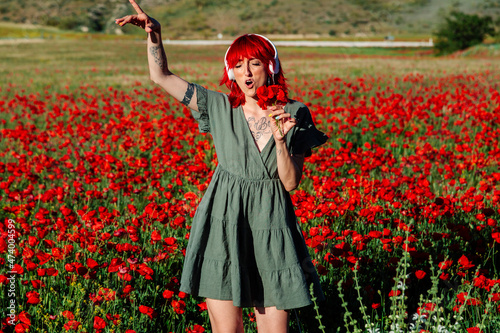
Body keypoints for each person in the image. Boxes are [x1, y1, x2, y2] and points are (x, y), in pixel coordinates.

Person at [116, 1, 328, 332]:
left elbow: (290, 183)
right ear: (230, 71)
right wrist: (154, 35)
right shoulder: (218, 106)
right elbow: (161, 76)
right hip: (224, 221)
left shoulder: (295, 113)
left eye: (254, 63)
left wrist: (281, 140)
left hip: (271, 224)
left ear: (269, 66)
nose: (246, 73)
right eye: (238, 65)